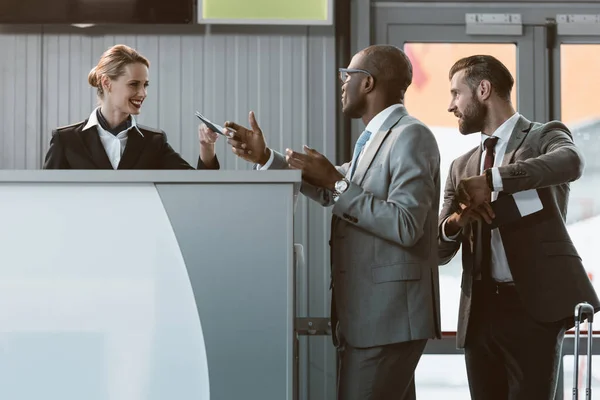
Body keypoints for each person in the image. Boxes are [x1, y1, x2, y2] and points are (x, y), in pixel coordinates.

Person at [220, 45, 441, 400]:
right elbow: (329, 187)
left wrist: (337, 185)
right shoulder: (373, 139)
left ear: (367, 82)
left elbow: (406, 224)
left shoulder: (410, 136)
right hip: (370, 320)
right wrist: (265, 157)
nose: (342, 85)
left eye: (346, 76)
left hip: (388, 320)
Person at [439, 54, 600, 399]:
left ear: (483, 89)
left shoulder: (544, 136)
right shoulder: (459, 167)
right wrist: (456, 221)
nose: (450, 106)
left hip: (533, 309)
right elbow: (438, 250)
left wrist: (495, 179)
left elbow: (571, 161)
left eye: (456, 94)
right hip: (479, 312)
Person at [43, 44, 219, 170]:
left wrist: (207, 147)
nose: (143, 93)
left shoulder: (154, 142)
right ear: (106, 83)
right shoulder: (66, 140)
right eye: (134, 84)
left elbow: (195, 188)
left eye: (145, 85)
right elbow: (47, 198)